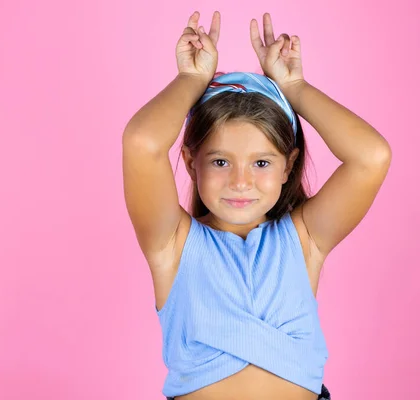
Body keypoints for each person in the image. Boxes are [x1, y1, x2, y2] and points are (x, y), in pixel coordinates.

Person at [122, 10, 391, 400]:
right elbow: (142, 143)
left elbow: (372, 156)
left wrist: (295, 88)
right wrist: (191, 80)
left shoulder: (304, 241)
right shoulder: (173, 246)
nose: (240, 181)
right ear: (189, 162)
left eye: (261, 163)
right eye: (220, 161)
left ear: (289, 166)